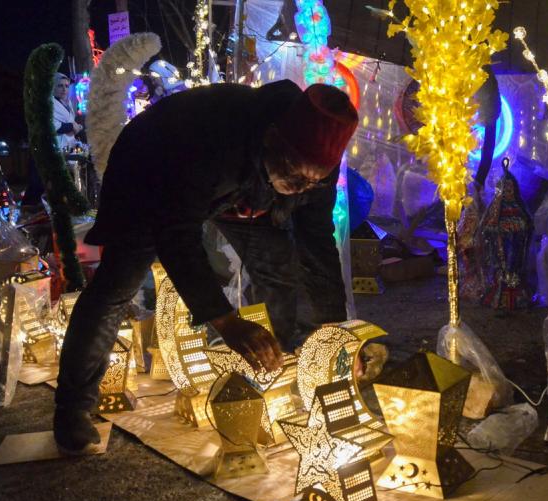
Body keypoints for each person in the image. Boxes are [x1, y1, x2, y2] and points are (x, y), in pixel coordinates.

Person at [54, 79, 358, 453]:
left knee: (277, 271)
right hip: (151, 172)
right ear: (273, 138)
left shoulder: (314, 168)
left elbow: (317, 243)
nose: (299, 187)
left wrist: (336, 331)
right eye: (294, 173)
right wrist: (225, 321)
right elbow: (177, 236)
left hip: (246, 192)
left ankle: (267, 375)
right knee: (116, 287)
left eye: (312, 182)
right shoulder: (213, 139)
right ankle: (72, 409)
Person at [52, 73, 82, 151]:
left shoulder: (68, 102)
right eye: (60, 86)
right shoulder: (50, 103)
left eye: (66, 86)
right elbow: (52, 126)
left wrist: (77, 126)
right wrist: (72, 126)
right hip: (57, 146)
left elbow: (70, 120)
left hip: (70, 145)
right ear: (54, 87)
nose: (64, 89)